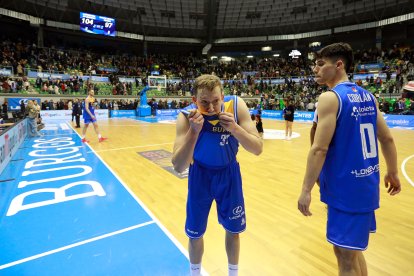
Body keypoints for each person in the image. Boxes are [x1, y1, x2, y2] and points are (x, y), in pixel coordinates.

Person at [297, 42, 401, 276]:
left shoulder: (330, 98)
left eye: (321, 64)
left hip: (345, 190)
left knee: (344, 258)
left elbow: (319, 149)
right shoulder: (369, 97)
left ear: (339, 65)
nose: (316, 69)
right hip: (365, 186)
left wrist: (305, 189)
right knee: (352, 251)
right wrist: (392, 172)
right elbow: (387, 139)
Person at [172, 74, 263, 276]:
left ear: (223, 96)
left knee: (233, 230)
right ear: (194, 100)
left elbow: (257, 148)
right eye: (204, 102)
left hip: (229, 174)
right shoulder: (186, 116)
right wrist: (193, 133)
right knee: (195, 233)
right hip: (200, 176)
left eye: (216, 101)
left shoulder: (236, 106)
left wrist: (235, 128)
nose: (212, 108)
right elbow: (178, 166)